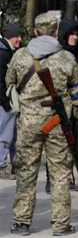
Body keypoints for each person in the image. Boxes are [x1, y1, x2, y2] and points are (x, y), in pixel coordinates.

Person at [6, 13, 78, 236]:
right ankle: (61, 225)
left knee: (26, 172)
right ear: (55, 31)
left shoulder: (21, 56)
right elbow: (77, 91)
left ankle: (21, 223)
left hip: (28, 125)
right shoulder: (67, 58)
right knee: (60, 173)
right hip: (57, 124)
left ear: (35, 32)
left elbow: (9, 83)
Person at [45, 19, 78, 193]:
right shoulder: (56, 55)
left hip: (76, 108)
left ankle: (68, 177)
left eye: (77, 34)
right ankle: (51, 179)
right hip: (57, 107)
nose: (75, 37)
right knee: (55, 144)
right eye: (71, 34)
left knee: (73, 143)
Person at [0, 23, 22, 180]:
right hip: (3, 103)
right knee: (5, 135)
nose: (20, 39)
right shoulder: (3, 54)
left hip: (3, 102)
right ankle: (1, 167)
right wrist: (6, 103)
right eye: (17, 36)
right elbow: (0, 82)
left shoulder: (5, 51)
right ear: (10, 37)